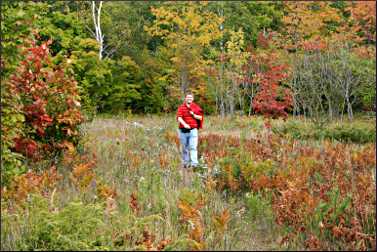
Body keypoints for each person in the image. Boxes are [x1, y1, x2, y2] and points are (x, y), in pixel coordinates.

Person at [176, 92, 204, 170]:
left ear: (193, 99)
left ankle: (194, 164)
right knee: (185, 148)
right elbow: (179, 118)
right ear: (185, 98)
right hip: (183, 131)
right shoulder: (181, 107)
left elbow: (201, 118)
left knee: (193, 147)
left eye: (191, 97)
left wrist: (194, 115)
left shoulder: (196, 107)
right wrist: (184, 124)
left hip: (193, 131)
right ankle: (186, 163)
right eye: (188, 97)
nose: (189, 99)